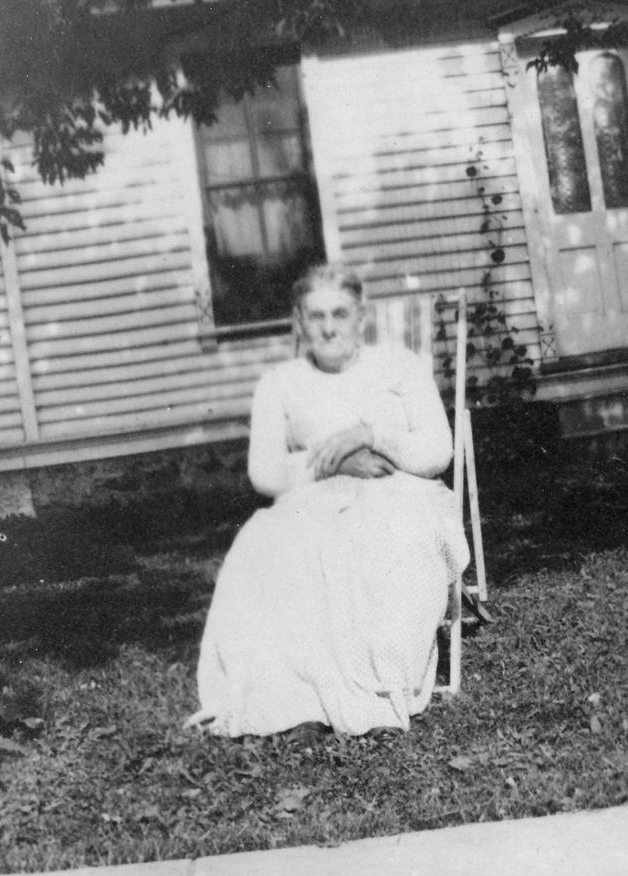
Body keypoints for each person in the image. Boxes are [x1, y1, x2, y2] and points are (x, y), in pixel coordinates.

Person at [188, 263, 469, 738]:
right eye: (316, 316)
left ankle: (382, 692)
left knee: (391, 537)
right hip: (315, 497)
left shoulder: (399, 365)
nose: (329, 327)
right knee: (268, 543)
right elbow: (265, 473)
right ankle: (296, 701)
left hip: (400, 491)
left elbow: (437, 452)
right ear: (299, 322)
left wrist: (371, 435)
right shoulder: (280, 382)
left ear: (362, 317)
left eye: (340, 314)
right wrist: (332, 463)